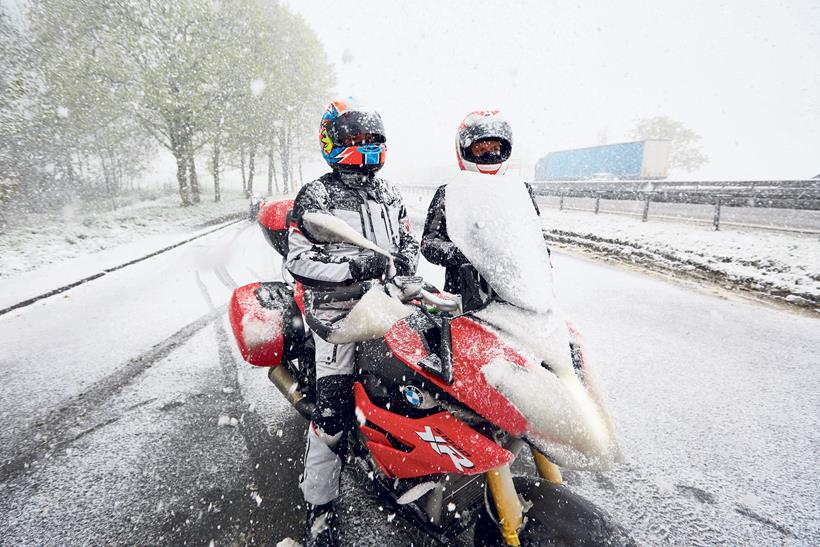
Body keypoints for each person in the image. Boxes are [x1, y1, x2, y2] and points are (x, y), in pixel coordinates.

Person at [284, 98, 419, 547]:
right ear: (333, 143)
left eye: (372, 140)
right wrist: (352, 268)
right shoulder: (317, 195)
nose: (364, 149)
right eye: (354, 141)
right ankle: (320, 510)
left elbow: (405, 245)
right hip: (337, 313)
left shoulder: (390, 193)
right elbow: (299, 260)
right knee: (332, 417)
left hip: (387, 306)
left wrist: (408, 276)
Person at [421, 110, 541, 294]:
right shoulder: (450, 193)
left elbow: (536, 240)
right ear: (466, 151)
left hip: (518, 293)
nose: (490, 155)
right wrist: (463, 253)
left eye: (495, 149)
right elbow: (429, 244)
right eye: (481, 150)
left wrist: (539, 261)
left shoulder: (520, 191)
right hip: (465, 294)